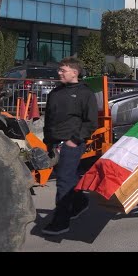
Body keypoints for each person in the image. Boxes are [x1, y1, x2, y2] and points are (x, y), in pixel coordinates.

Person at [41, 57, 98, 236]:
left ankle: (61, 222)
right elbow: (48, 118)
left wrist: (75, 140)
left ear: (75, 72)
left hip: (71, 144)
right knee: (68, 178)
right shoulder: (55, 93)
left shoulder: (85, 93)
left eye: (63, 70)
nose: (59, 72)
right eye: (59, 69)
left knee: (63, 182)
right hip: (53, 143)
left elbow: (90, 122)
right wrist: (48, 141)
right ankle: (80, 202)